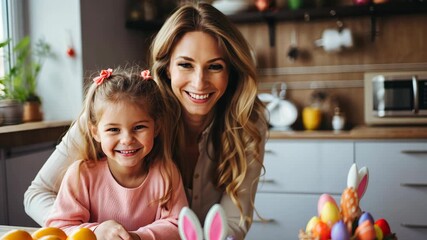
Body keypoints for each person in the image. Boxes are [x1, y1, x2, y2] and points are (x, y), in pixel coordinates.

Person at [24, 2, 268, 239]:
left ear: (231, 71)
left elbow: (233, 220)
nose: (199, 82)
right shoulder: (121, 111)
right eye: (185, 64)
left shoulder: (248, 121)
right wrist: (91, 232)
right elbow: (37, 194)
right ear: (167, 67)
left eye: (214, 67)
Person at [44, 67, 188, 240]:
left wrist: (137, 237)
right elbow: (58, 228)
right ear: (96, 132)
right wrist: (96, 231)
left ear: (156, 127)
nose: (127, 139)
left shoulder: (166, 173)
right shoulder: (81, 175)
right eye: (113, 129)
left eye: (139, 127)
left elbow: (178, 225)